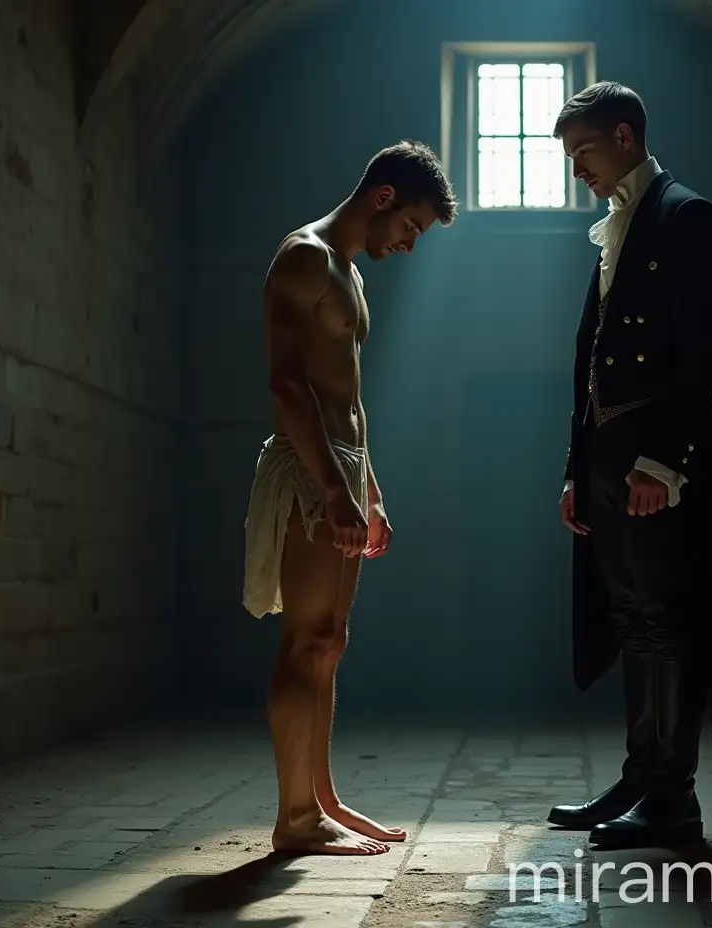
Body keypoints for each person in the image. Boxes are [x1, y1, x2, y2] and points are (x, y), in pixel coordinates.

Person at [546, 82, 712, 849]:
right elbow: (590, 361)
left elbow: (700, 350)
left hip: (655, 458)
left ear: (625, 136)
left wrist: (662, 460)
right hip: (606, 454)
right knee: (635, 620)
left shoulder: (684, 215)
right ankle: (643, 776)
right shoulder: (618, 226)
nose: (578, 171)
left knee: (666, 621)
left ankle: (673, 800)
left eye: (584, 152)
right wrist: (576, 467)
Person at [242, 140, 457, 855]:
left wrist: (371, 489)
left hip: (343, 469)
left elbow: (349, 399)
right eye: (413, 228)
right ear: (385, 198)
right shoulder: (304, 257)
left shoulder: (349, 273)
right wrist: (334, 489)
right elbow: (287, 386)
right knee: (303, 641)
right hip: (310, 473)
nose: (410, 245)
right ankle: (294, 820)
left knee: (330, 645)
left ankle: (323, 800)